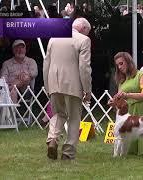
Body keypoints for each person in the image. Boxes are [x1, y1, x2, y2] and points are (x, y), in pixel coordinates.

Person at [43, 18, 92, 160]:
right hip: (73, 84)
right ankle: (68, 153)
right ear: (83, 28)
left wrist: (47, 86)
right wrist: (87, 89)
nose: (87, 34)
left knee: (58, 114)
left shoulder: (54, 38)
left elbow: (46, 64)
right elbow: (84, 68)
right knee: (74, 118)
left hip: (54, 83)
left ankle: (52, 139)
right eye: (87, 32)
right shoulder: (84, 40)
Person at [112, 52, 143, 155]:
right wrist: (113, 101)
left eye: (121, 63)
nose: (119, 67)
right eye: (117, 65)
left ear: (129, 62)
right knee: (128, 148)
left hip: (142, 112)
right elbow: (120, 98)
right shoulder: (121, 80)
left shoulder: (141, 75)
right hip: (128, 116)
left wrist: (127, 95)